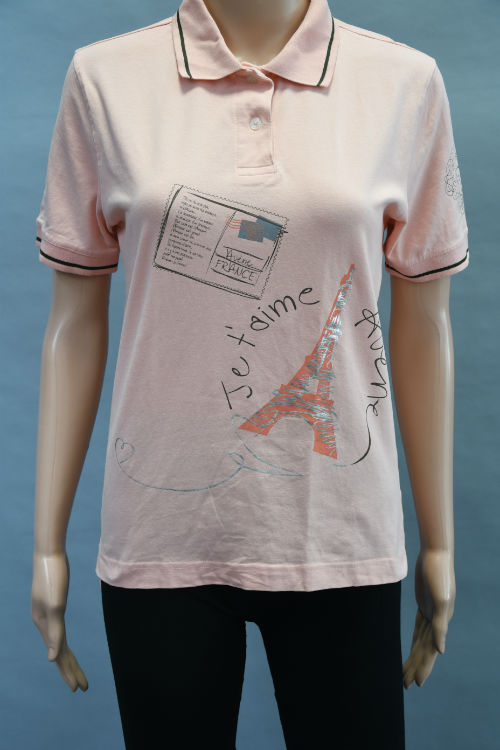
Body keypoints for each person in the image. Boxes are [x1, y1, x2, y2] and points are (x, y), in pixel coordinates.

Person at [31, 1, 468, 748]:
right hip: (162, 532)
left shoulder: (403, 82)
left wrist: (438, 542)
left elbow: (426, 324)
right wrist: (47, 544)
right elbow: (72, 324)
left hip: (341, 532)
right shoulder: (104, 79)